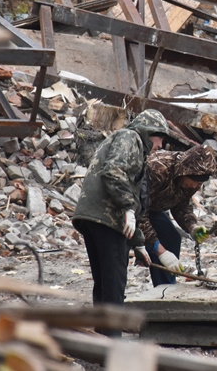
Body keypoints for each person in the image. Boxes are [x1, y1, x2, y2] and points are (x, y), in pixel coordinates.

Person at [71, 108, 169, 337]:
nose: (160, 145)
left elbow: (136, 199)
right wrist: (127, 208)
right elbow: (113, 171)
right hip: (106, 219)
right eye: (159, 138)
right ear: (148, 131)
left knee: (104, 282)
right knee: (114, 284)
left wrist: (139, 243)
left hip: (91, 217)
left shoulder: (132, 148)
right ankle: (112, 342)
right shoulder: (130, 137)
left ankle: (102, 337)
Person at [138, 143, 217, 286]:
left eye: (198, 183)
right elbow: (139, 212)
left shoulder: (193, 180)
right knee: (125, 246)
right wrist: (160, 251)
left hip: (153, 208)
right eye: (193, 181)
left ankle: (165, 287)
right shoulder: (158, 168)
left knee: (172, 237)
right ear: (184, 172)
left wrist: (192, 226)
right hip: (129, 210)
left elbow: (181, 205)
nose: (194, 186)